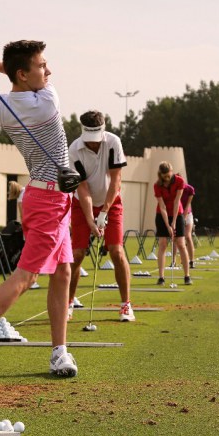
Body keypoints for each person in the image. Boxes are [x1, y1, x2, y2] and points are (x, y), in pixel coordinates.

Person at [0, 41, 77, 382]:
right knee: (26, 278)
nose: (48, 71)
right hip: (49, 201)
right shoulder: (48, 100)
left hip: (46, 197)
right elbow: (11, 73)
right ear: (23, 74)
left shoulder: (2, 105)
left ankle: (59, 351)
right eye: (42, 66)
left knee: (63, 272)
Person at [67, 110, 134, 322]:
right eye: (89, 138)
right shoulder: (74, 150)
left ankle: (125, 305)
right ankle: (68, 303)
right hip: (81, 204)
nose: (93, 143)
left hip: (111, 202)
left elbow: (116, 180)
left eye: (96, 138)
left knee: (116, 251)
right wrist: (90, 219)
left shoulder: (113, 142)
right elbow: (83, 188)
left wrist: (104, 211)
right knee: (77, 254)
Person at [153, 162, 191, 285]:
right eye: (164, 176)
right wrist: (168, 225)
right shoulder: (157, 185)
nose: (167, 178)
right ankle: (161, 277)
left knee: (181, 244)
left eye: (168, 175)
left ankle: (187, 276)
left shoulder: (180, 181)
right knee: (163, 244)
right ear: (161, 174)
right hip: (162, 215)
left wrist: (174, 222)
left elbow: (176, 202)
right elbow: (162, 206)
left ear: (171, 171)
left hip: (177, 213)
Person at [181, 183, 196, 269]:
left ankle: (191, 260)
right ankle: (174, 261)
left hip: (188, 214)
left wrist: (184, 218)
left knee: (187, 236)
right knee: (178, 239)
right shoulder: (173, 188)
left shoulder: (189, 189)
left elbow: (187, 205)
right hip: (178, 214)